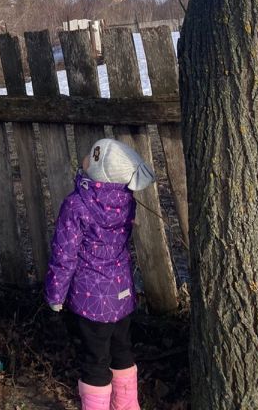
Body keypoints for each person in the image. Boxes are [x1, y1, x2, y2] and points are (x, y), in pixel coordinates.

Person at [45, 138, 155, 410]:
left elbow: (64, 254)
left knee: (96, 360)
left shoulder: (76, 205)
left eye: (92, 157)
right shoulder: (126, 201)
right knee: (122, 351)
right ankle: (128, 406)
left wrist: (55, 296)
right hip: (122, 295)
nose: (84, 157)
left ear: (99, 171)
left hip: (91, 301)